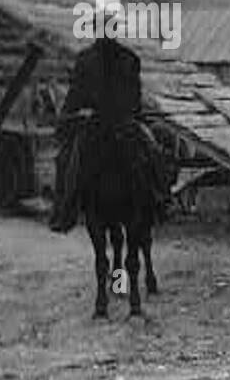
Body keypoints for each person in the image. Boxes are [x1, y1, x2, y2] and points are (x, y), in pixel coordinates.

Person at [48, 24, 169, 233]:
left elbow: (75, 96)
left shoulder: (86, 59)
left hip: (96, 123)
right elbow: (135, 98)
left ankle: (65, 210)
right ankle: (162, 199)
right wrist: (133, 114)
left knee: (67, 160)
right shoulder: (130, 58)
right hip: (127, 123)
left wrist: (68, 116)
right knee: (152, 150)